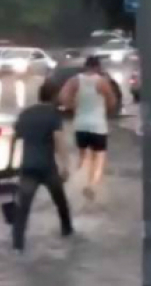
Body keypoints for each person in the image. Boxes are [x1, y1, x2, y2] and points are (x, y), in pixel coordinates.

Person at [7, 80, 74, 252]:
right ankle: (68, 233)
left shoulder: (25, 113)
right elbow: (59, 140)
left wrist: (9, 164)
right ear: (53, 96)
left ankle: (17, 245)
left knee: (23, 209)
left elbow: (14, 138)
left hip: (27, 167)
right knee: (61, 203)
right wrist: (65, 165)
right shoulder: (53, 114)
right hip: (47, 168)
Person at [60, 56, 117, 201]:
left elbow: (63, 97)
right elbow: (112, 102)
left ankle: (76, 184)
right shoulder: (101, 81)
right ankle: (91, 186)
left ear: (85, 66)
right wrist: (104, 108)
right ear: (97, 67)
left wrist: (73, 107)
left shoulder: (74, 81)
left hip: (80, 124)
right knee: (98, 158)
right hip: (98, 126)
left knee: (83, 157)